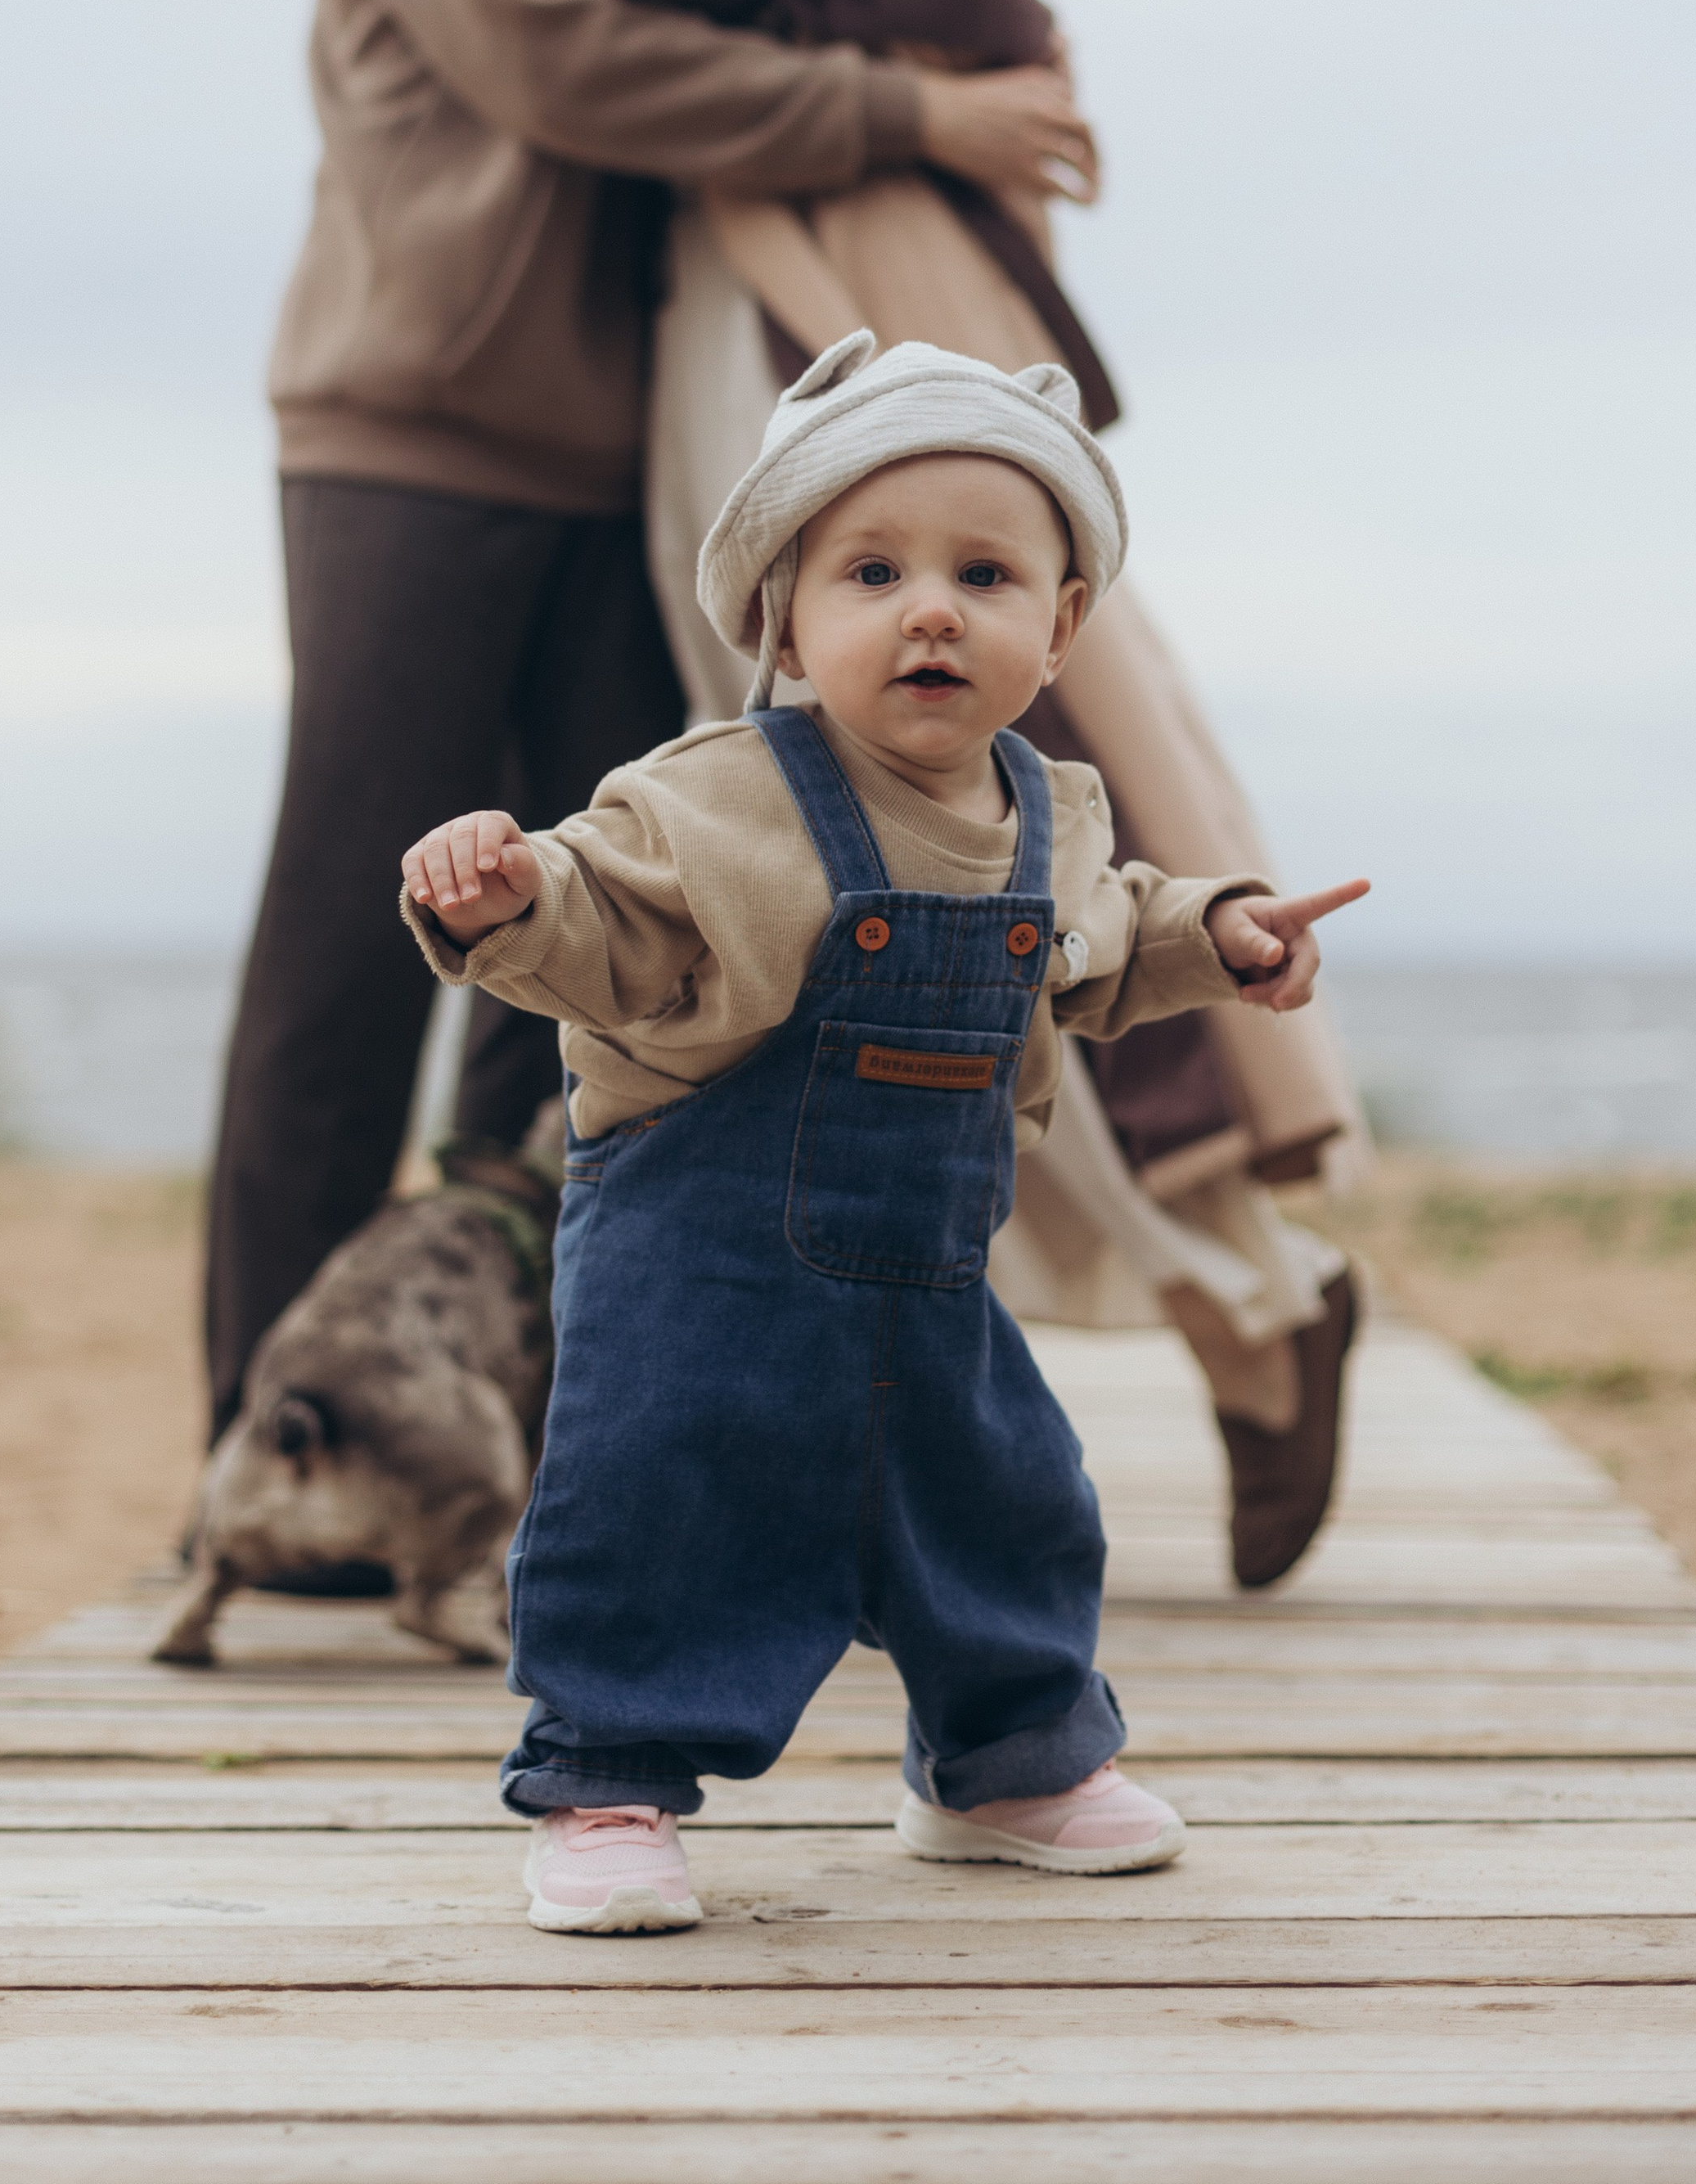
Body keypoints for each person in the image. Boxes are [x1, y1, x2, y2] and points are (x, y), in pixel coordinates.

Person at [385, 0, 1369, 1587]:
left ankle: (1235, 1309)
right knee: (879, 836)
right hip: (816, 264)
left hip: (844, 292)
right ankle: (1212, 1316)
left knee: (915, 833)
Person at [205, 0, 1096, 1443]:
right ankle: (264, 1438)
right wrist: (908, 114)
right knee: (352, 937)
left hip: (627, 434)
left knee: (594, 943)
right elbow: (553, 55)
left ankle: (498, 1403)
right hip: (418, 409)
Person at [402, 335, 1369, 1932]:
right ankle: (605, 1784)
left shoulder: (1047, 816)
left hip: (925, 1266)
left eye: (983, 574)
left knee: (1006, 1497)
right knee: (649, 1503)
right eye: (871, 571)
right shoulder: (706, 799)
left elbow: (1109, 938)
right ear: (783, 616)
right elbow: (598, 922)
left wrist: (1228, 932)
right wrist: (506, 897)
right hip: (688, 1264)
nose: (930, 607)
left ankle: (998, 1762)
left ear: (1055, 629)